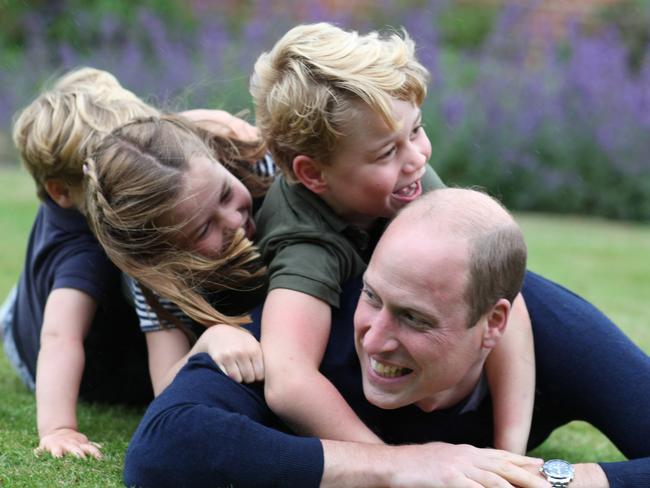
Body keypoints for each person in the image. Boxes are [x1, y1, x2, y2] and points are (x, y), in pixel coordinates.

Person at [123, 187, 650, 488]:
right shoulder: (311, 320)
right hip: (121, 331)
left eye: (415, 319)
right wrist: (400, 468)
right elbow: (163, 448)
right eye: (373, 297)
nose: (374, 339)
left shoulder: (560, 333)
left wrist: (548, 481)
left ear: (493, 324)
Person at [250, 22, 534, 452]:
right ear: (313, 174)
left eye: (416, 129)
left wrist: (510, 454)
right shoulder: (304, 239)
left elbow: (505, 296)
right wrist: (394, 467)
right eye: (387, 152)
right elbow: (288, 381)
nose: (417, 157)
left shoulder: (405, 173)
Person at [0, 67, 268, 460]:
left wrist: (201, 123)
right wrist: (59, 427)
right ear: (64, 191)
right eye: (112, 172)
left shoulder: (137, 167)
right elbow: (60, 339)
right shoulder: (82, 253)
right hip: (32, 344)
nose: (133, 168)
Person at [83, 115, 273, 395]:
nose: (233, 220)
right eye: (204, 228)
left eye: (224, 194)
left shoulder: (263, 167)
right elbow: (164, 386)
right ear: (164, 253)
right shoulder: (157, 278)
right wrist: (210, 339)